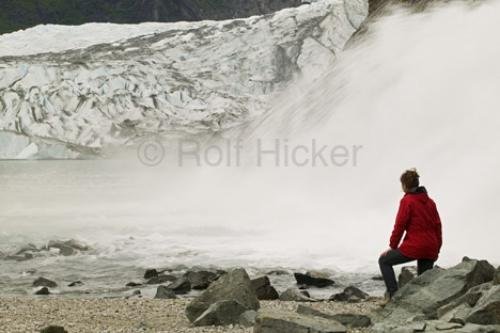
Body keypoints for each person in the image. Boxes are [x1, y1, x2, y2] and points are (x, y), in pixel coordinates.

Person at [379, 169, 442, 299]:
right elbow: (438, 226)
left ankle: (392, 295)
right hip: (431, 246)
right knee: (424, 282)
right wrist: (437, 249)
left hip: (416, 246)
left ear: (405, 185)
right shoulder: (430, 202)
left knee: (384, 261)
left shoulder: (407, 201)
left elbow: (400, 225)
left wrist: (393, 246)